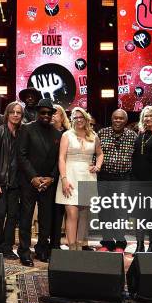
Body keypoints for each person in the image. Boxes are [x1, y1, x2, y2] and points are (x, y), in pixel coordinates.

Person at [17, 99, 61, 266]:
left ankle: (43, 249)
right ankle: (25, 251)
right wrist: (33, 177)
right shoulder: (26, 129)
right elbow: (21, 155)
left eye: (49, 113)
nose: (46, 115)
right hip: (29, 182)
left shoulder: (58, 133)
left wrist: (51, 178)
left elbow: (59, 160)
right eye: (43, 112)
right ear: (37, 113)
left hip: (48, 183)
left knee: (46, 219)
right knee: (26, 218)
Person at [56, 107, 103, 251]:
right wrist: (64, 179)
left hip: (87, 176)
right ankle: (72, 247)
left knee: (84, 214)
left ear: (86, 118)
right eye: (76, 117)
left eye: (81, 117)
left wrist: (98, 166)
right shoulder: (66, 135)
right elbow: (61, 158)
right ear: (72, 120)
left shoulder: (93, 136)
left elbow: (100, 154)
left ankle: (80, 246)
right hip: (70, 175)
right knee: (72, 213)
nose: (79, 120)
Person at [96, 109, 137, 252]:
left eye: (121, 118)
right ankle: (107, 242)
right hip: (104, 177)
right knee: (104, 211)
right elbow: (95, 154)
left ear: (125, 121)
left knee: (120, 211)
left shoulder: (132, 136)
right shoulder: (102, 133)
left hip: (123, 179)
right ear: (111, 119)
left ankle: (120, 243)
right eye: (115, 118)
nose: (118, 121)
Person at [0, 102, 23, 259]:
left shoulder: (23, 133)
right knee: (0, 215)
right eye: (13, 112)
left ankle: (7, 248)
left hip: (16, 184)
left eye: (19, 113)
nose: (16, 115)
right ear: (7, 114)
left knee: (13, 217)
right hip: (1, 183)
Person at [132, 106, 152, 252]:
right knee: (139, 215)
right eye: (145, 116)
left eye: (151, 116)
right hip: (138, 182)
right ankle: (140, 245)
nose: (148, 119)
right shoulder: (140, 135)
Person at [50, 104, 70, 249]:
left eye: (55, 113)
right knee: (55, 213)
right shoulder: (46, 131)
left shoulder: (69, 133)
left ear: (62, 117)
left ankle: (79, 244)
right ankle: (54, 244)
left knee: (74, 213)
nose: (51, 115)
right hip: (52, 177)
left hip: (69, 176)